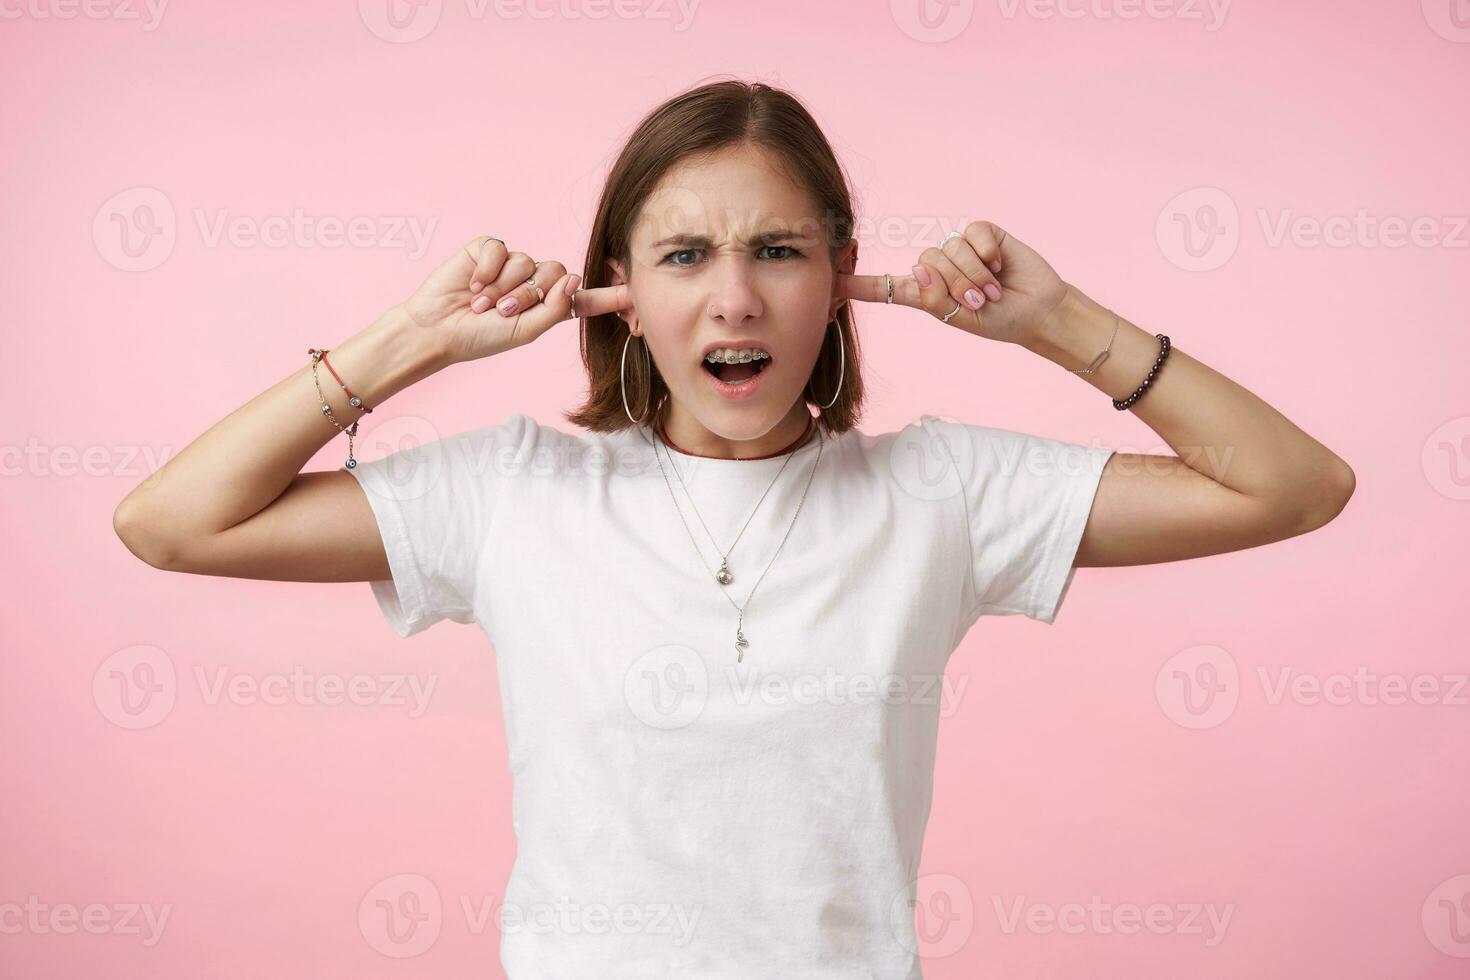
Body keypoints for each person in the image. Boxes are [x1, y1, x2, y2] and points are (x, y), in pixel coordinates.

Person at [111, 79, 1354, 978]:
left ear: (842, 275)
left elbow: (1293, 486)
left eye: (777, 249)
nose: (735, 295)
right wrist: (408, 342)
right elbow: (169, 523)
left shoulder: (944, 494)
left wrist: (1057, 319)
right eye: (685, 255)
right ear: (625, 294)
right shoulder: (512, 491)